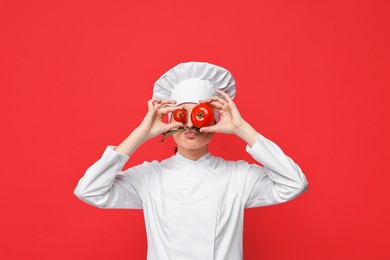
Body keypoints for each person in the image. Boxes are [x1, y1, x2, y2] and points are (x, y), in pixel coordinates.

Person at [74, 61, 309, 260]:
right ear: (168, 122)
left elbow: (294, 184)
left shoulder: (237, 176)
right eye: (181, 114)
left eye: (200, 113)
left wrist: (241, 128)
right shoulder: (149, 177)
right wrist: (141, 133)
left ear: (216, 121)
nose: (190, 124)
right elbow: (89, 190)